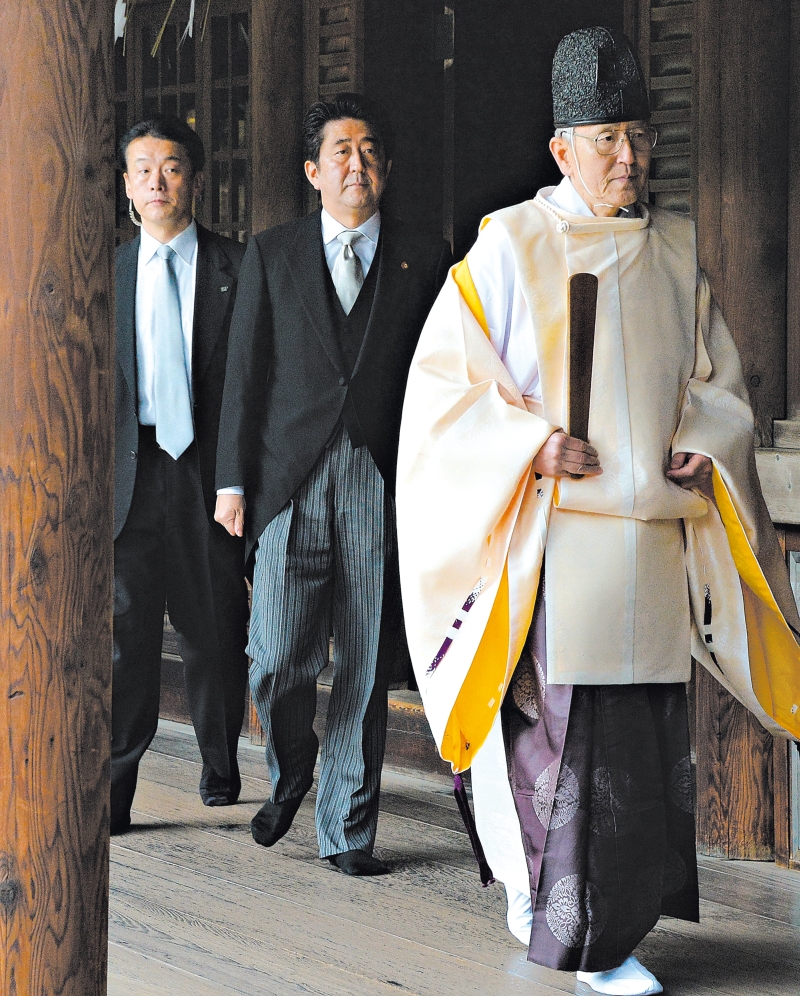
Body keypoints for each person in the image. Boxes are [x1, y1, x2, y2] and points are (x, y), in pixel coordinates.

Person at [396, 27, 800, 996]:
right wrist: (528, 444)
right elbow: (445, 391)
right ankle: (585, 944)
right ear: (561, 149)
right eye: (608, 138)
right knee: (568, 748)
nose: (629, 157)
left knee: (643, 743)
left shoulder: (674, 252)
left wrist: (705, 440)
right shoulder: (508, 247)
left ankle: (603, 924)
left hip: (650, 540)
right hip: (555, 544)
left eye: (639, 137)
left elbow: (714, 382)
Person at [214, 94, 452, 876]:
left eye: (371, 150)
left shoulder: (426, 254)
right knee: (275, 655)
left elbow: (444, 373)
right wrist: (231, 482)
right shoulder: (273, 252)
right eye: (342, 151)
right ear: (314, 171)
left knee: (365, 662)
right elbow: (244, 374)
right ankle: (293, 767)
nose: (358, 164)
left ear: (387, 167)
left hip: (381, 476)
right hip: (288, 477)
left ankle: (348, 830)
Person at [112, 116, 249, 835]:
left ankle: (220, 768)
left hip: (206, 472)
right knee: (124, 638)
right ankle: (114, 793)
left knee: (215, 627)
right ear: (127, 186)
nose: (157, 181)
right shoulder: (106, 272)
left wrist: (238, 479)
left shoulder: (238, 267)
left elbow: (253, 384)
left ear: (194, 178)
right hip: (129, 475)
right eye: (143, 169)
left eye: (170, 167)